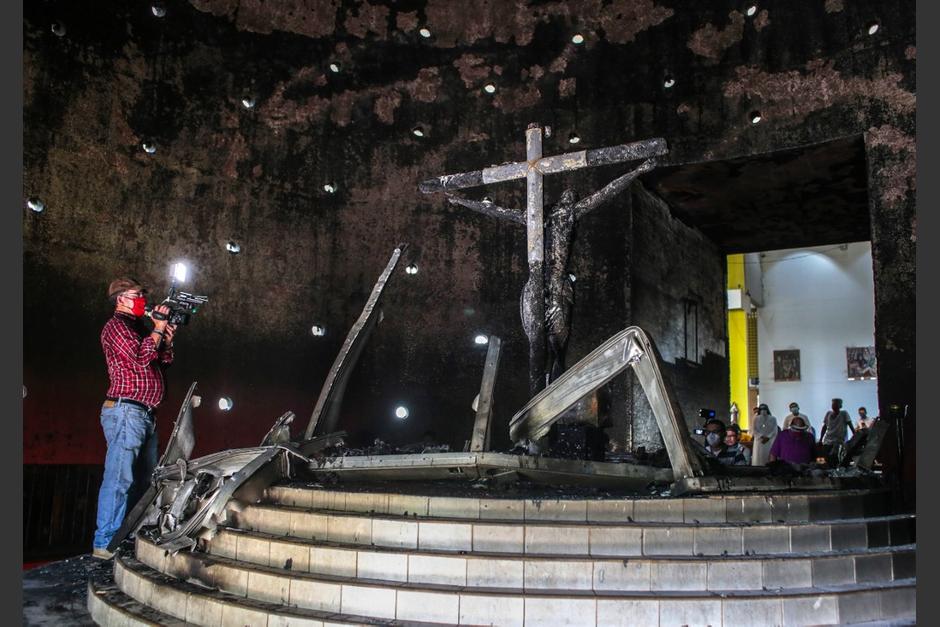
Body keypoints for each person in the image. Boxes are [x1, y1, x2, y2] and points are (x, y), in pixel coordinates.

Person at [92, 278, 176, 559]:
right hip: (126, 410)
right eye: (136, 295)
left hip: (144, 414)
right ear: (120, 299)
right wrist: (158, 328)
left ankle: (127, 535)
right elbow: (140, 357)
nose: (142, 299)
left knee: (144, 479)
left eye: (142, 295)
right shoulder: (115, 327)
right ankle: (105, 542)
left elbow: (159, 360)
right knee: (119, 478)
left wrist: (165, 339)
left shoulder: (136, 328)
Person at [819, 398, 855, 465]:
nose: (834, 405)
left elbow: (850, 425)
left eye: (836, 403)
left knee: (836, 459)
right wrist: (821, 439)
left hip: (839, 441)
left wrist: (855, 436)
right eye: (833, 403)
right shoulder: (828, 414)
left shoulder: (844, 413)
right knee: (827, 459)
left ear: (840, 406)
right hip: (828, 440)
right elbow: (824, 427)